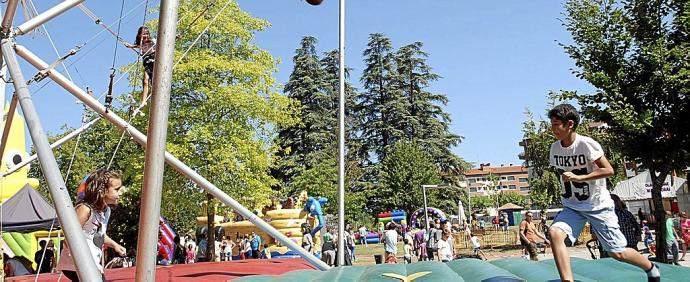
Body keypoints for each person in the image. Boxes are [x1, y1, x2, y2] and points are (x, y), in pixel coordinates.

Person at [546, 104, 659, 282]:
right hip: (572, 206)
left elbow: (608, 170)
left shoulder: (587, 144)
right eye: (551, 124)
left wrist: (580, 178)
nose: (553, 129)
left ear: (569, 124)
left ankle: (650, 267)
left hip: (597, 206)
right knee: (554, 233)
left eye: (556, 125)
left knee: (617, 253)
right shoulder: (555, 148)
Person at [58, 169, 126, 281]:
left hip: (90, 262)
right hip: (76, 264)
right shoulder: (85, 209)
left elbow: (98, 234)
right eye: (116, 189)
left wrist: (115, 245)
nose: (120, 193)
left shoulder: (105, 211)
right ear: (102, 191)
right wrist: (85, 262)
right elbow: (69, 237)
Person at [125, 26, 156, 106]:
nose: (145, 36)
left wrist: (175, 37)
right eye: (143, 34)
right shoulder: (141, 44)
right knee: (145, 81)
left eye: (146, 34)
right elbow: (136, 46)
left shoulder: (153, 41)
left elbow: (164, 40)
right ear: (139, 36)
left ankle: (153, 97)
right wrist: (130, 46)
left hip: (155, 62)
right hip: (147, 63)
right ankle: (144, 100)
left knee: (154, 81)